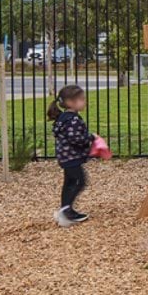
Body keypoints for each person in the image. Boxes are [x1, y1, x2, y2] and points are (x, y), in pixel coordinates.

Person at [48, 84, 95, 227]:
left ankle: (65, 209)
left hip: (65, 157)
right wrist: (90, 138)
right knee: (79, 181)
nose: (84, 102)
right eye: (81, 99)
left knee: (69, 183)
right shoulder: (72, 120)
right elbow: (76, 139)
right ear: (70, 103)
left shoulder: (64, 118)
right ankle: (66, 211)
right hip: (71, 157)